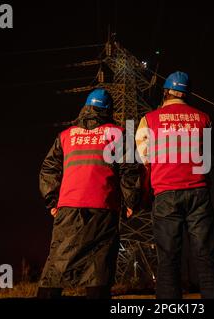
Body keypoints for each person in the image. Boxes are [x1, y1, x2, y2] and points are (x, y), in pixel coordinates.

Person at [38, 88, 140, 299]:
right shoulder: (118, 133)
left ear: (86, 108)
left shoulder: (66, 135)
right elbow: (130, 170)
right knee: (99, 267)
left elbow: (48, 169)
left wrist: (52, 201)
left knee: (57, 265)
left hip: (68, 208)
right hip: (103, 208)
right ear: (109, 110)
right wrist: (131, 201)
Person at [135, 71, 214, 299]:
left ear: (165, 92)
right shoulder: (204, 118)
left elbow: (143, 159)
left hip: (165, 195)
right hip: (198, 193)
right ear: (187, 94)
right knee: (206, 256)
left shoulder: (150, 119)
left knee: (168, 260)